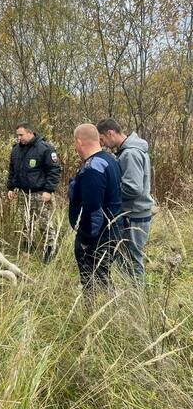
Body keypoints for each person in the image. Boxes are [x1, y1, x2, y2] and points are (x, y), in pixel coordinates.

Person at [68, 124, 122, 303]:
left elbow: (93, 210)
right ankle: (110, 313)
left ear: (79, 142)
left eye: (75, 144)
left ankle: (95, 313)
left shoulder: (92, 169)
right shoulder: (110, 159)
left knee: (94, 279)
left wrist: (85, 240)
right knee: (102, 276)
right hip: (113, 229)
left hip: (99, 236)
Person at [96, 118, 154, 283]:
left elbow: (133, 188)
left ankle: (136, 299)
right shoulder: (127, 151)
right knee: (124, 256)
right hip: (132, 212)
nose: (103, 144)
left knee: (132, 257)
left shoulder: (130, 154)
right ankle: (128, 294)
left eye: (102, 139)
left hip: (134, 214)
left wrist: (109, 192)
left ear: (110, 133)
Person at [7, 122, 61, 264]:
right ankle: (28, 249)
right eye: (17, 135)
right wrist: (11, 188)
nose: (19, 138)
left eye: (21, 135)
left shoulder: (45, 148)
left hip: (40, 194)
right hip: (23, 194)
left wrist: (49, 190)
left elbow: (54, 171)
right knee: (26, 223)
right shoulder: (16, 150)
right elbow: (12, 170)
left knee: (45, 224)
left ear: (30, 133)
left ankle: (49, 251)